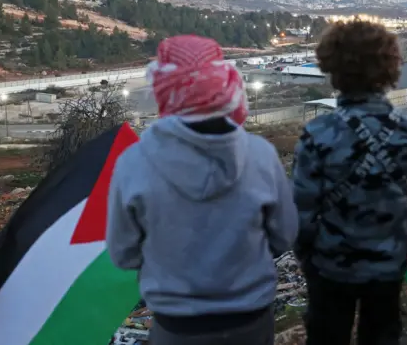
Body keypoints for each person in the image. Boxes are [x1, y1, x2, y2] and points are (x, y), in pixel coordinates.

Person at [107, 35, 298, 345]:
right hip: (250, 319)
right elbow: (284, 236)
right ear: (225, 84)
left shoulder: (133, 163)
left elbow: (123, 253)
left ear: (163, 88)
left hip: (178, 325)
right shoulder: (260, 154)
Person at [292, 20, 407, 345]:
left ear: (332, 66)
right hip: (389, 267)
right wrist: (400, 252)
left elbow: (301, 215)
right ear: (391, 67)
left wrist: (311, 262)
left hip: (330, 269)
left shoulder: (318, 134)